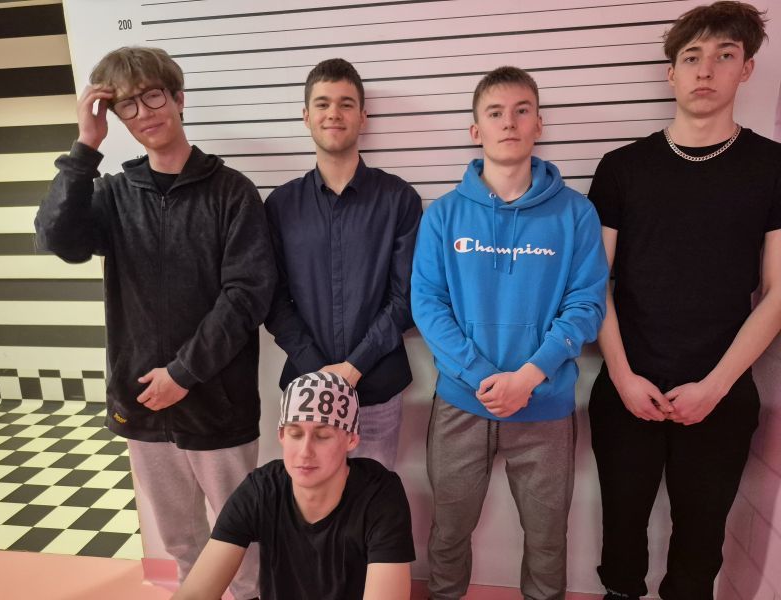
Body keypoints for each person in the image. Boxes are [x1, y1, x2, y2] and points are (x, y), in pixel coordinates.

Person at [34, 46, 276, 599]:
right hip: (143, 401)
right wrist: (85, 146)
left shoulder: (231, 191)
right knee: (181, 543)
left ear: (178, 98)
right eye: (128, 105)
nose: (144, 113)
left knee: (242, 545)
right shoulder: (114, 195)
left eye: (153, 96)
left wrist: (183, 374)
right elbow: (55, 239)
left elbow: (247, 296)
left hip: (218, 405)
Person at [587, 3, 781, 598]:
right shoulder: (621, 168)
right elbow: (593, 283)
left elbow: (778, 292)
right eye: (692, 57)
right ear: (671, 72)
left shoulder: (772, 167)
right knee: (621, 537)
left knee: (699, 547)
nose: (706, 70)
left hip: (722, 390)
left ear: (746, 68)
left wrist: (716, 386)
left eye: (724, 55)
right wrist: (623, 377)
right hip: (627, 386)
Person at [411, 66, 608, 600]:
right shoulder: (443, 216)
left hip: (545, 406)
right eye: (495, 113)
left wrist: (529, 376)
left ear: (539, 124)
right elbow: (427, 305)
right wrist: (481, 374)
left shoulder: (577, 214)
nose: (509, 123)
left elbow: (587, 305)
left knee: (547, 540)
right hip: (461, 405)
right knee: (449, 533)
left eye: (522, 111)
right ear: (476, 129)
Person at [264, 58, 422, 469]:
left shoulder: (399, 199)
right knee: (312, 499)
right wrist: (320, 372)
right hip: (305, 388)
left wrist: (353, 368)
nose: (333, 113)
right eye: (322, 103)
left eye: (346, 104)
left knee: (373, 497)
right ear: (306, 116)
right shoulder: (280, 205)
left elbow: (406, 298)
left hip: (377, 388)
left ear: (363, 117)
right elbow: (273, 301)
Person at [173, 371, 416, 600]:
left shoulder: (380, 495)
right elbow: (194, 594)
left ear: (351, 439)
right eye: (295, 434)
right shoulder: (261, 489)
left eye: (322, 436)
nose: (305, 452)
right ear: (281, 435)